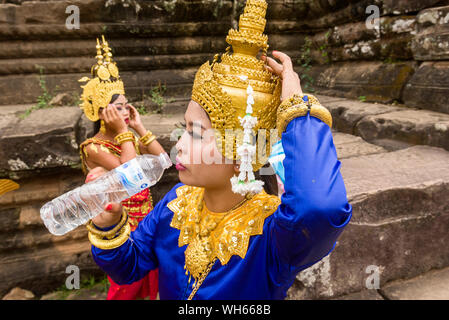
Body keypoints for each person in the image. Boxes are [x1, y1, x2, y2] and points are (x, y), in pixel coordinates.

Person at [86, 0, 352, 300]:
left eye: (195, 133)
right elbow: (128, 268)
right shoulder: (174, 204)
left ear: (243, 155)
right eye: (184, 129)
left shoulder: (271, 233)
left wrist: (295, 103)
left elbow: (320, 207)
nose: (180, 145)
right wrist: (108, 227)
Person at [78, 36, 165, 300]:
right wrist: (125, 131)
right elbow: (130, 177)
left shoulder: (128, 139)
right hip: (121, 230)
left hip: (148, 225)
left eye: (126, 106)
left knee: (153, 286)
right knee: (126, 289)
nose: (125, 111)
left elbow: (164, 162)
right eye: (118, 108)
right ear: (102, 113)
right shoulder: (92, 148)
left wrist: (138, 128)